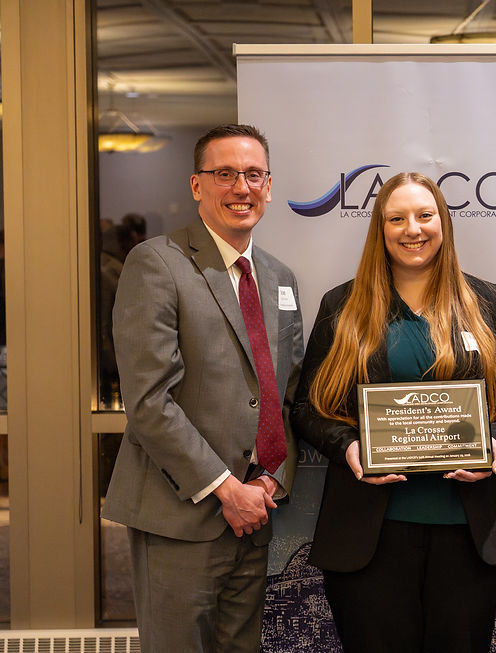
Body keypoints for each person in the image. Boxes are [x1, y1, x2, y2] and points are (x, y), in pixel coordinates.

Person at [290, 172, 496, 653]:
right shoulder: (343, 305)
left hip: (469, 532)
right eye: (396, 219)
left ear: (444, 223)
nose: (412, 229)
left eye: (425, 215)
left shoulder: (490, 303)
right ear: (379, 228)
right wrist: (348, 446)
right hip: (369, 534)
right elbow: (306, 408)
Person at [102, 124, 305, 653]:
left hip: (256, 513)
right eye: (225, 174)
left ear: (268, 184)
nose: (241, 187)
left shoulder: (279, 276)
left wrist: (268, 480)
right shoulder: (158, 262)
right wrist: (225, 488)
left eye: (254, 175)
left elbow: (286, 394)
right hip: (181, 513)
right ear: (197, 186)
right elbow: (149, 402)